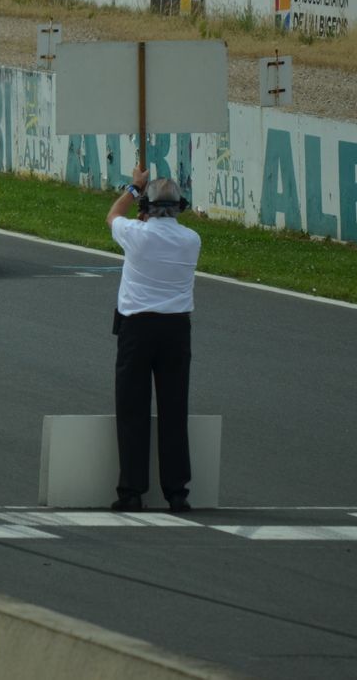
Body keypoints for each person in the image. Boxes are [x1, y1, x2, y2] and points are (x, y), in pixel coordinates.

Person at [106, 165, 201, 513]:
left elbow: (113, 214)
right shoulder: (192, 240)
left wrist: (133, 187)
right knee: (174, 410)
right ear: (179, 208)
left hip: (137, 328)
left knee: (132, 410)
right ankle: (177, 491)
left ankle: (132, 490)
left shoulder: (136, 233)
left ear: (146, 209)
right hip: (176, 329)